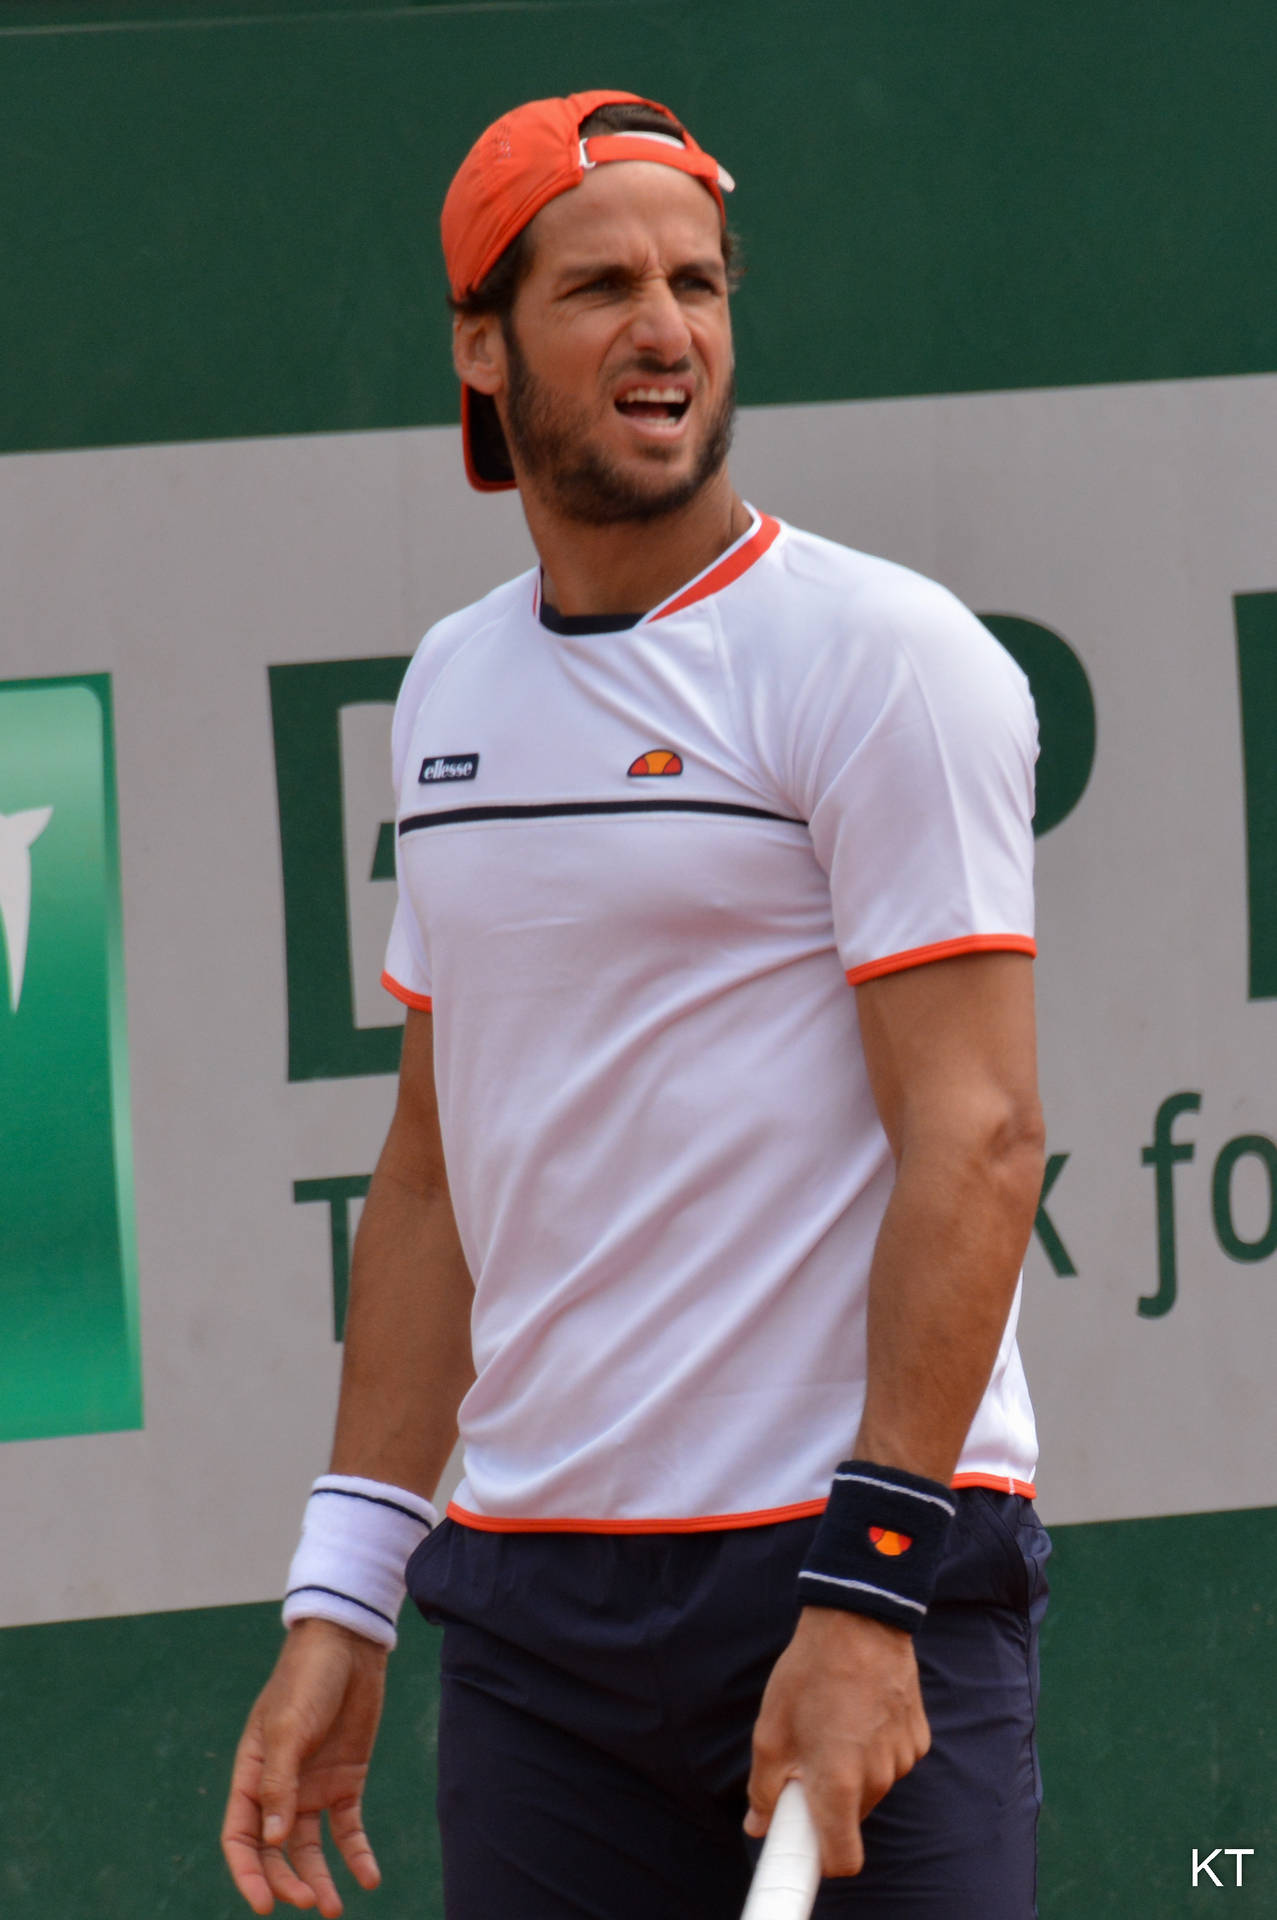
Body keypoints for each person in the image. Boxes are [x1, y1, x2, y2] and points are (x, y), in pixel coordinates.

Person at [222, 89, 1050, 1919]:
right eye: (599, 286)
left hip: (848, 1582)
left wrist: (867, 1593)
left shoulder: (887, 662)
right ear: (481, 347)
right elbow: (438, 1166)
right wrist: (345, 1598)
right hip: (538, 1627)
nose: (665, 327)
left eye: (698, 281)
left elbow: (979, 1135)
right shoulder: (447, 692)